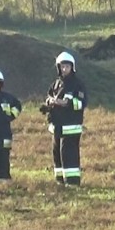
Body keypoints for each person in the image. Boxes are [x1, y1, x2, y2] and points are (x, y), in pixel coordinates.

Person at [40, 52, 87, 186]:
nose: (64, 69)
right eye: (62, 66)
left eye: (67, 66)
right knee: (57, 153)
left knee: (69, 154)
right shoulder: (55, 84)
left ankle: (72, 182)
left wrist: (66, 103)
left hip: (71, 126)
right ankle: (60, 181)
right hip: (57, 126)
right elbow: (49, 97)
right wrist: (48, 104)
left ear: (72, 67)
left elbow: (82, 103)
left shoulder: (77, 84)